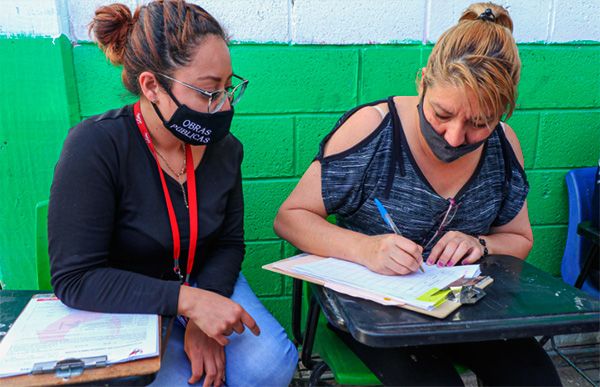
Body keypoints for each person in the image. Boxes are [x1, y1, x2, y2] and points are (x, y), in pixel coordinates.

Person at [274, 3, 561, 386]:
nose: (456, 137)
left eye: (480, 124)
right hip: (375, 311)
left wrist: (481, 243)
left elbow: (520, 239)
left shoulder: (504, 146)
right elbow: (290, 217)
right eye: (442, 114)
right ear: (422, 81)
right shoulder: (372, 130)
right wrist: (366, 249)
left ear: (502, 113)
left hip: (462, 307)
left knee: (535, 379)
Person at [48, 1, 297, 386]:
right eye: (209, 91)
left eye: (228, 87)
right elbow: (76, 279)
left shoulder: (225, 148)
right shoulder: (95, 146)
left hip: (202, 278)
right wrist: (189, 303)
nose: (225, 105)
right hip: (129, 294)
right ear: (152, 86)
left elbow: (229, 242)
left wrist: (205, 316)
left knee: (272, 366)